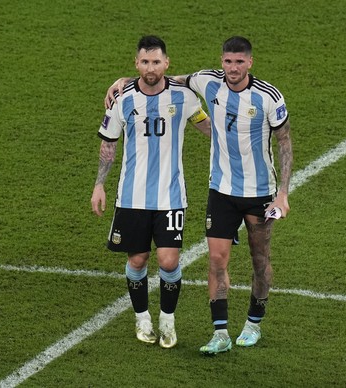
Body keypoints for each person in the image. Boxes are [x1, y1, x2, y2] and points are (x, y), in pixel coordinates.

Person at [105, 36, 293, 355]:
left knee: (260, 260)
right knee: (217, 260)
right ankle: (220, 332)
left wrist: (283, 194)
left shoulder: (268, 96)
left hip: (260, 193)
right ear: (222, 61)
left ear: (250, 62)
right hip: (220, 190)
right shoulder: (206, 81)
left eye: (239, 62)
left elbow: (285, 143)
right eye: (228, 61)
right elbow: (165, 79)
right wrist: (125, 80)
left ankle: (253, 323)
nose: (233, 68)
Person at [91, 35, 211, 349]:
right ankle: (142, 317)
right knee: (138, 259)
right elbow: (108, 143)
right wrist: (99, 184)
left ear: (166, 63)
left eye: (156, 61)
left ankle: (168, 322)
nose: (150, 68)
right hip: (131, 197)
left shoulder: (184, 98)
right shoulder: (122, 98)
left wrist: (234, 134)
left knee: (169, 262)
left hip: (171, 196)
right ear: (136, 63)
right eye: (145, 62)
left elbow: (206, 126)